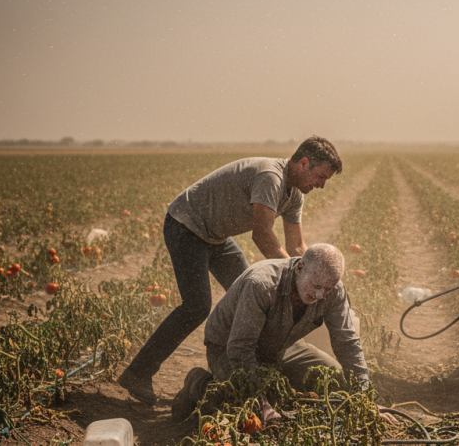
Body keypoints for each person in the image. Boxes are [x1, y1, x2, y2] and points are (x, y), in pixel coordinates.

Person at [118, 136, 343, 404]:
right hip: (186, 225)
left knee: (253, 294)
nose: (321, 184)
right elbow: (262, 235)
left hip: (217, 237)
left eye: (326, 179)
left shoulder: (294, 194)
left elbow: (296, 247)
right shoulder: (271, 177)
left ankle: (254, 363)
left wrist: (315, 273)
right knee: (197, 305)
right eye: (320, 176)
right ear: (303, 163)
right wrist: (295, 277)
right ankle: (138, 373)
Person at [170, 243, 369, 423]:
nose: (319, 295)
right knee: (242, 411)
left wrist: (364, 398)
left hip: (281, 346)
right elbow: (241, 348)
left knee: (333, 379)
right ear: (299, 268)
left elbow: (347, 342)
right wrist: (262, 403)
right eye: (316, 286)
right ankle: (199, 383)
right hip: (228, 346)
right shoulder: (262, 284)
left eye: (327, 289)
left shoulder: (334, 291)